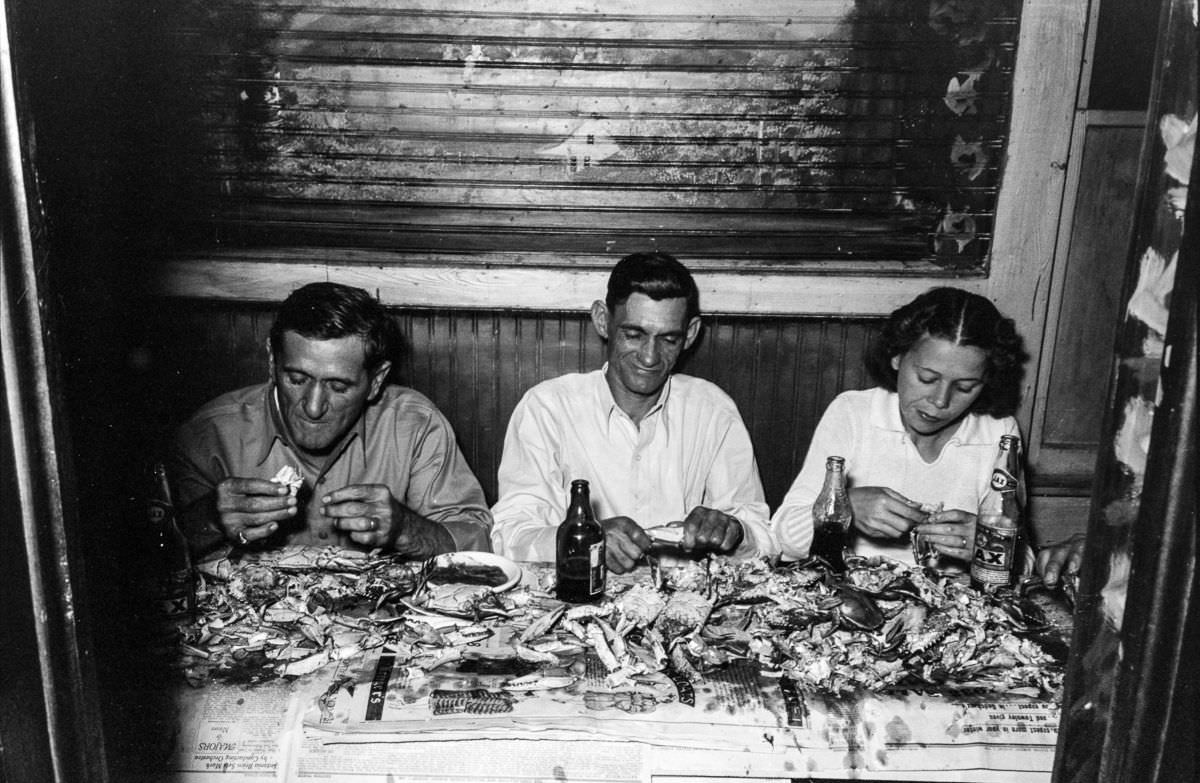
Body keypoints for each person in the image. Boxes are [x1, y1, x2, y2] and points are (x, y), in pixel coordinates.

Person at [490, 251, 777, 573]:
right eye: (634, 335)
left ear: (691, 333)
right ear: (602, 320)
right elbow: (509, 535)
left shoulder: (712, 410)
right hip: (576, 596)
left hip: (685, 603)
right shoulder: (548, 407)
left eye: (669, 339)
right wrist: (583, 540)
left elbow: (766, 539)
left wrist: (735, 531)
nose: (650, 358)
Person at [170, 282, 491, 559]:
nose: (312, 407)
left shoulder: (415, 424)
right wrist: (210, 518)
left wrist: (406, 529)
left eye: (338, 387)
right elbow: (150, 560)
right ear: (272, 361)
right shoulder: (210, 433)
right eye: (297, 379)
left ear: (376, 381)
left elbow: (476, 543)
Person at [773, 287, 1027, 565]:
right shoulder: (854, 413)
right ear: (897, 357)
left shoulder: (999, 432)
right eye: (927, 378)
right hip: (851, 595)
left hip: (954, 603)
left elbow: (1024, 563)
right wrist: (844, 508)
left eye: (965, 387)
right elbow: (783, 540)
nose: (940, 401)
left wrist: (989, 545)